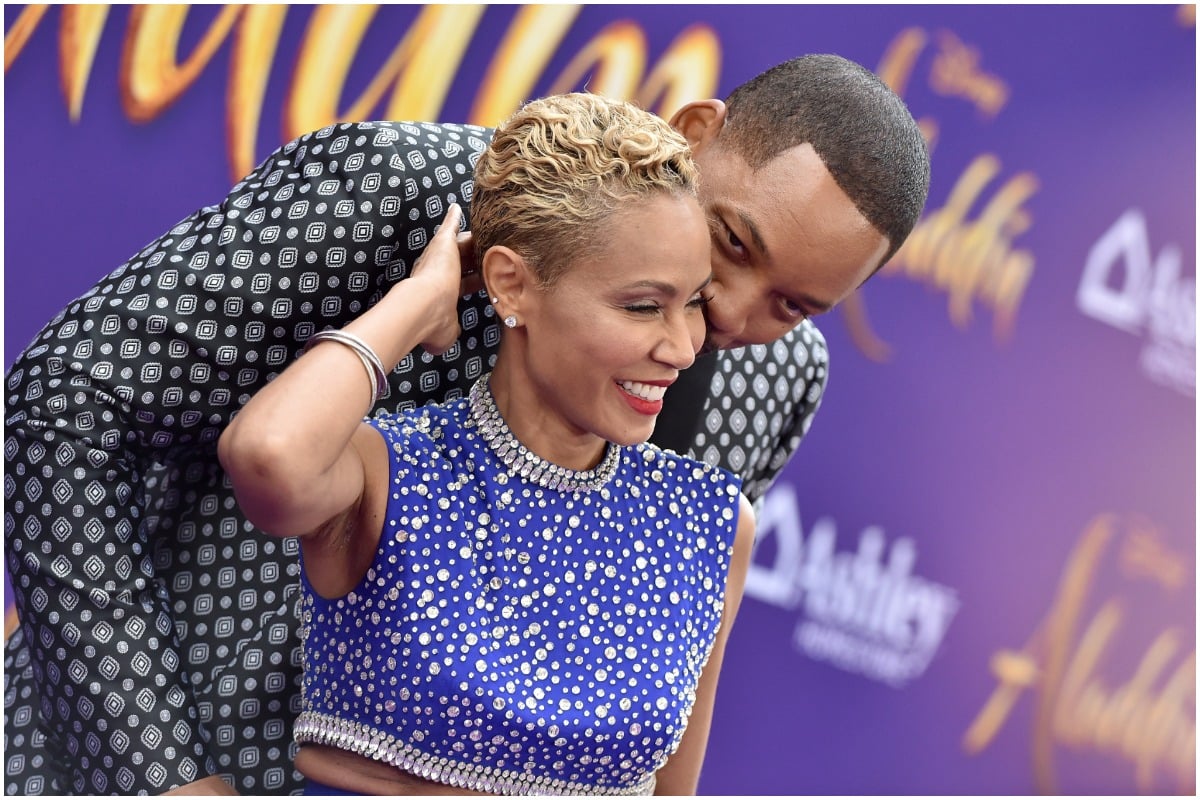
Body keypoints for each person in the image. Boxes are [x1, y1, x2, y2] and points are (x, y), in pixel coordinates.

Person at [3, 54, 929, 795]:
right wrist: (162, 774)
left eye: (794, 306)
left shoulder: (776, 380)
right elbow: (66, 402)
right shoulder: (403, 192)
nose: (725, 315)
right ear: (695, 132)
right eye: (734, 242)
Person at [217, 92, 754, 796]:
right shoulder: (388, 471)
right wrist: (421, 301)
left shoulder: (709, 522)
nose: (682, 347)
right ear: (511, 285)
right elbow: (269, 456)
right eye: (643, 305)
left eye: (692, 302)